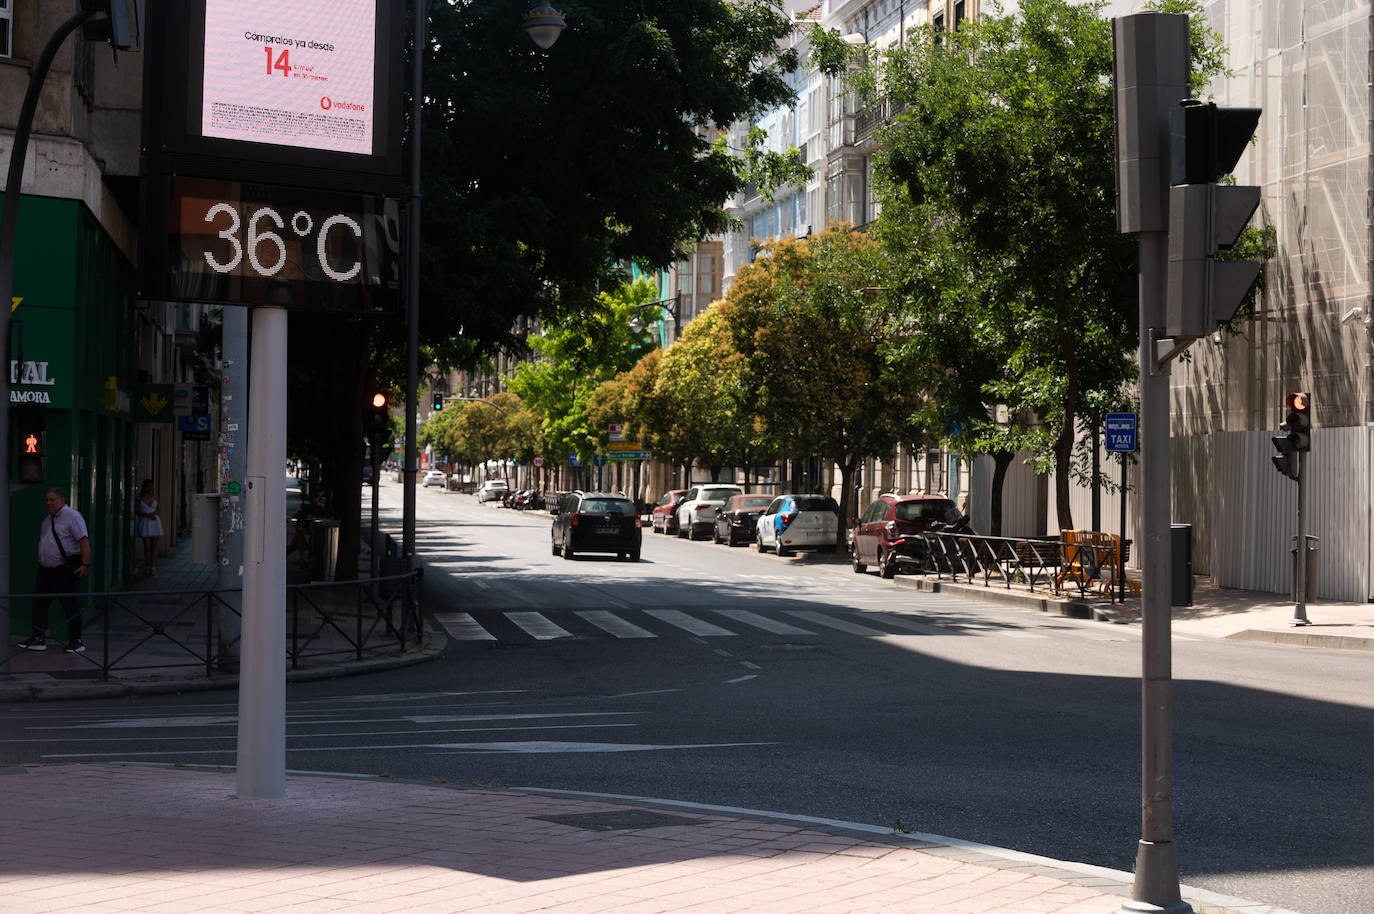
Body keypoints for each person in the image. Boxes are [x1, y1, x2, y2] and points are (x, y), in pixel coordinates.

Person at [19, 487, 91, 654]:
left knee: (70, 604)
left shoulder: (73, 517)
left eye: (52, 500)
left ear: (62, 500)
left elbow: (84, 541)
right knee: (39, 603)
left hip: (65, 568)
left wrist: (85, 564)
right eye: (47, 500)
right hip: (46, 569)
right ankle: (38, 637)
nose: (48, 503)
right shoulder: (48, 519)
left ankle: (76, 640)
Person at [135, 478, 163, 575]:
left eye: (151, 486)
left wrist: (154, 513)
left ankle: (152, 566)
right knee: (147, 546)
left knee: (155, 545)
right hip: (145, 522)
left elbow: (159, 510)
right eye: (148, 486)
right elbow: (137, 511)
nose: (150, 487)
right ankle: (147, 565)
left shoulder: (155, 497)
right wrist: (148, 515)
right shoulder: (139, 498)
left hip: (155, 521)